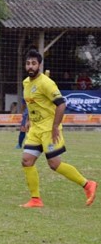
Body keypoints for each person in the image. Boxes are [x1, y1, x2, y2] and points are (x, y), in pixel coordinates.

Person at [19, 49, 96, 208]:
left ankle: (87, 184)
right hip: (35, 129)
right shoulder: (26, 83)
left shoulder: (46, 83)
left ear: (39, 65)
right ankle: (35, 199)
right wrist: (27, 119)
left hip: (48, 129)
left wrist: (55, 127)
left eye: (34, 63)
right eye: (28, 63)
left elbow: (61, 104)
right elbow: (31, 102)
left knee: (54, 164)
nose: (30, 66)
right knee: (27, 160)